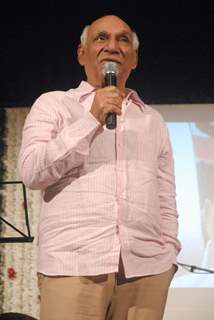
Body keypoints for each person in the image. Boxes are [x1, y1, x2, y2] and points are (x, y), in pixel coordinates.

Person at [18, 14, 181, 320]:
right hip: (73, 268)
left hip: (146, 273)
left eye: (123, 40)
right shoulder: (53, 105)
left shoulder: (152, 120)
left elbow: (165, 197)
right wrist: (91, 118)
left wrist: (168, 258)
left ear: (133, 58)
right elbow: (31, 172)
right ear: (82, 53)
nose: (113, 46)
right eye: (101, 38)